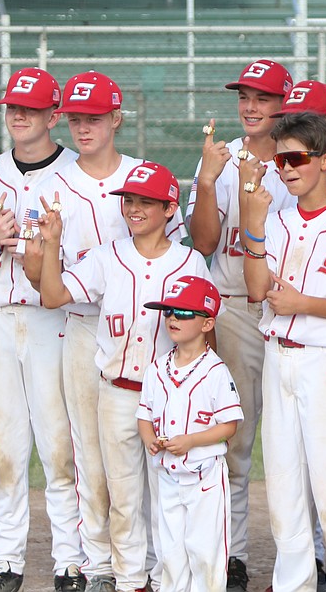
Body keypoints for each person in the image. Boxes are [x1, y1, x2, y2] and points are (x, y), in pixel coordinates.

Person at [25, 71, 183, 592]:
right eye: (74, 118)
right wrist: (42, 249)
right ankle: (98, 566)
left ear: (116, 117)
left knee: (155, 454)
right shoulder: (50, 186)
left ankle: (158, 567)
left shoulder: (144, 178)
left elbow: (177, 259)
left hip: (150, 329)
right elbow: (38, 275)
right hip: (80, 322)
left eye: (93, 117)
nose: (83, 127)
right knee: (90, 456)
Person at [38, 161, 211, 592]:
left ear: (171, 208)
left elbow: (209, 333)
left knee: (169, 493)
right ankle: (131, 579)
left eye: (147, 202)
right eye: (129, 200)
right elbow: (52, 295)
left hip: (169, 395)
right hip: (117, 392)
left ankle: (168, 577)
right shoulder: (107, 257)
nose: (135, 209)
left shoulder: (189, 261)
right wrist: (52, 243)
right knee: (123, 493)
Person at [240, 111, 326, 592]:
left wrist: (304, 303)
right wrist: (253, 223)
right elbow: (256, 290)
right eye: (280, 160)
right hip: (279, 357)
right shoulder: (274, 221)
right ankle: (293, 584)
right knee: (283, 488)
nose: (286, 168)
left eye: (297, 158)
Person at [0, 68, 85, 592]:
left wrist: (42, 251)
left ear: (53, 115)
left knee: (59, 445)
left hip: (51, 318)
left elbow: (84, 262)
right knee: (5, 447)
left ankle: (70, 562)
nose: (18, 114)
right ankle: (6, 562)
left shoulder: (77, 175)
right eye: (13, 106)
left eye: (31, 108)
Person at [185, 58, 293, 592]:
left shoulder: (303, 157)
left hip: (293, 308)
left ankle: (310, 556)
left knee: (295, 440)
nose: (250, 107)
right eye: (244, 97)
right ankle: (234, 555)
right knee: (235, 440)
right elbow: (203, 243)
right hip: (232, 306)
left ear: (283, 105)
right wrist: (207, 179)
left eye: (263, 98)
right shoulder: (222, 158)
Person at [137, 276, 243, 592]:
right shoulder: (157, 368)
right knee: (170, 554)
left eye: (184, 313)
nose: (172, 318)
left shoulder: (215, 371)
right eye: (169, 311)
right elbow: (144, 415)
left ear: (208, 323)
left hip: (205, 478)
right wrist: (149, 439)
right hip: (169, 478)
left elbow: (230, 426)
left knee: (205, 553)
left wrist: (191, 441)